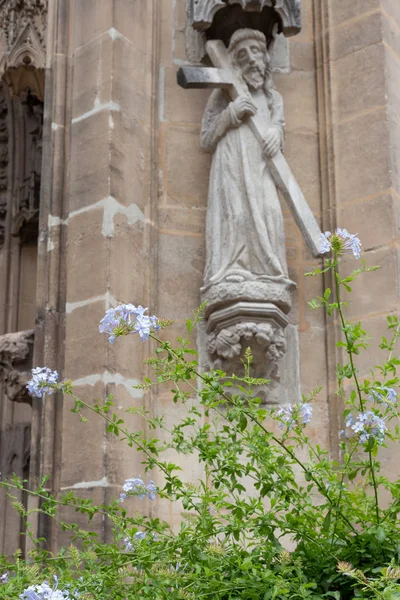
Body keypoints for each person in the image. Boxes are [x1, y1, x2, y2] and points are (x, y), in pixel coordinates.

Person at [201, 28, 289, 289]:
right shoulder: (224, 93)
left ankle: (270, 274)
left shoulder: (274, 98)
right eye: (242, 54)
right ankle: (232, 271)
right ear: (234, 63)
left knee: (271, 212)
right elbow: (205, 138)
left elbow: (279, 127)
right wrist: (231, 113)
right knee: (236, 216)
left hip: (262, 168)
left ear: (265, 58)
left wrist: (276, 131)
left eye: (256, 52)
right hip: (232, 166)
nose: (251, 59)